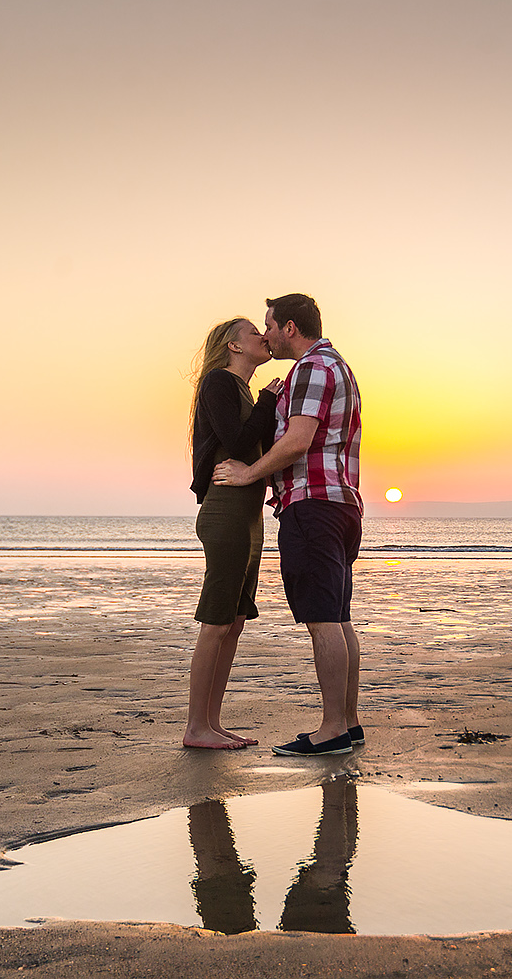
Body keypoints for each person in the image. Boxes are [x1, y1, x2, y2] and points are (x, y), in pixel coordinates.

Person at [214, 293, 364, 757]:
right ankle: (349, 724)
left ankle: (333, 728)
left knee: (322, 620)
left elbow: (297, 440)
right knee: (338, 618)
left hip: (313, 505)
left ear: (291, 328)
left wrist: (246, 473)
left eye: (270, 326)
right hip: (340, 505)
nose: (267, 335)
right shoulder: (338, 365)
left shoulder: (311, 369)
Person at [183, 317, 282, 749]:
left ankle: (212, 722)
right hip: (224, 511)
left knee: (236, 620)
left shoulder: (239, 389)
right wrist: (267, 400)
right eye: (253, 332)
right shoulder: (219, 383)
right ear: (234, 346)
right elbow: (240, 443)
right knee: (216, 620)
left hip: (249, 515)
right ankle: (195, 727)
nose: (264, 336)